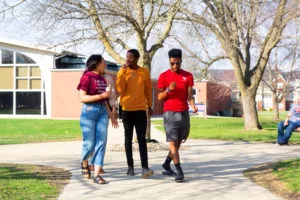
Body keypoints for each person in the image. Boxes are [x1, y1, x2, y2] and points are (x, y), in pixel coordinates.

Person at [157, 48, 198, 182]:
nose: (175, 66)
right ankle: (179, 171)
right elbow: (159, 97)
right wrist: (169, 90)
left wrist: (193, 105)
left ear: (181, 61)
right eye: (173, 63)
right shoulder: (163, 76)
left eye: (178, 63)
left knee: (179, 142)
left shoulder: (188, 76)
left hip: (184, 112)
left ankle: (166, 163)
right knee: (173, 144)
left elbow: (189, 96)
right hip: (170, 113)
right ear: (169, 61)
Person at [77, 54, 118, 184]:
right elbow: (82, 98)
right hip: (89, 111)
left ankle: (97, 174)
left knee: (101, 143)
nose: (105, 64)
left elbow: (105, 100)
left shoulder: (103, 78)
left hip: (102, 112)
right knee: (89, 144)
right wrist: (100, 96)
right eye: (103, 62)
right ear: (97, 63)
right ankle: (84, 161)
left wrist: (112, 116)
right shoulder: (87, 76)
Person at [116, 49, 154, 178]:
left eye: (131, 57)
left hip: (140, 110)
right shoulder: (123, 71)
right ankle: (130, 167)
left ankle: (144, 167)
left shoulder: (144, 72)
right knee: (128, 139)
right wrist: (122, 71)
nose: (128, 59)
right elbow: (120, 89)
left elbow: (148, 90)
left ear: (137, 58)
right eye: (127, 57)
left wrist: (150, 106)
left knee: (142, 139)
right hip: (126, 110)